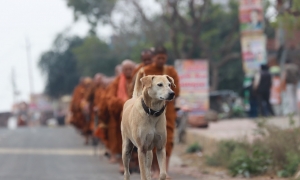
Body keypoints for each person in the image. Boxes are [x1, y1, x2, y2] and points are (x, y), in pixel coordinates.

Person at [142, 46, 180, 178]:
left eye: (163, 58)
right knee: (150, 140)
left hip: (167, 111)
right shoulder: (146, 72)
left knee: (166, 140)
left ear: (166, 58)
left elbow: (176, 91)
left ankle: (164, 170)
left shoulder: (170, 72)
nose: (161, 61)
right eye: (158, 58)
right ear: (153, 58)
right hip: (148, 111)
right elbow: (141, 91)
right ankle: (154, 169)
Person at [106, 60, 136, 172]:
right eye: (126, 69)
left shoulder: (139, 79)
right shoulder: (117, 82)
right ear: (122, 70)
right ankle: (122, 164)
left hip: (137, 117)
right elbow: (110, 99)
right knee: (122, 141)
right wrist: (124, 103)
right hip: (121, 117)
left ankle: (135, 162)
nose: (128, 71)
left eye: (130, 69)